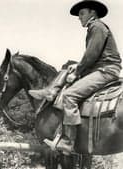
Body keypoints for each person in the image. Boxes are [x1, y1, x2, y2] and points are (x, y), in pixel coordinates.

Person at [28, 0, 121, 154]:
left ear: (93, 12)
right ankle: (50, 91)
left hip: (106, 70)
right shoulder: (96, 27)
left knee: (69, 96)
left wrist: (78, 71)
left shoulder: (96, 26)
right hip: (101, 67)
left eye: (82, 13)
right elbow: (93, 57)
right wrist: (76, 66)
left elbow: (91, 55)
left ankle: (68, 142)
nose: (79, 17)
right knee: (68, 65)